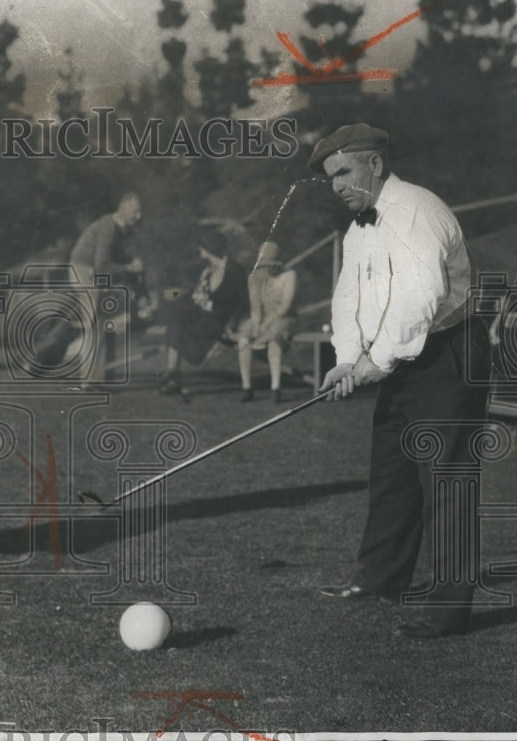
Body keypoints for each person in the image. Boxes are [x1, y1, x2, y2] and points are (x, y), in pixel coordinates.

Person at [310, 123, 491, 639]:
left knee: (447, 480)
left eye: (344, 171)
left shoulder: (414, 211)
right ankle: (381, 579)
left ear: (375, 163)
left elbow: (419, 298)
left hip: (451, 352)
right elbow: (350, 298)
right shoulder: (358, 228)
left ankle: (449, 611)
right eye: (330, 178)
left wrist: (377, 361)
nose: (337, 184)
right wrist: (347, 359)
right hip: (406, 356)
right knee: (392, 469)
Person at [36, 192, 145, 380]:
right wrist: (130, 266)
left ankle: (100, 372)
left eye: (140, 211)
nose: (139, 216)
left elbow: (111, 259)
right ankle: (90, 379)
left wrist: (130, 262)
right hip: (85, 271)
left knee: (96, 321)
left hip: (91, 272)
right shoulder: (109, 227)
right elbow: (102, 264)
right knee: (95, 324)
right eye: (136, 211)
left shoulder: (119, 229)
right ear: (123, 209)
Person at [159, 228, 248, 395]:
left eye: (202, 247)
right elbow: (194, 293)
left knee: (180, 324)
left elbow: (242, 300)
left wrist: (234, 324)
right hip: (201, 315)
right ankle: (172, 373)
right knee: (177, 319)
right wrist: (174, 293)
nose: (199, 251)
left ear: (210, 249)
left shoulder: (234, 270)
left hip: (218, 319)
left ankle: (173, 376)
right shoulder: (208, 270)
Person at [236, 241, 297, 403]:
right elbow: (255, 308)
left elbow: (285, 306)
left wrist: (267, 323)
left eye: (270, 265)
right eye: (263, 265)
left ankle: (276, 387)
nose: (267, 269)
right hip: (263, 316)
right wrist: (256, 325)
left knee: (274, 338)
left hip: (284, 317)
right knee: (244, 336)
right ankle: (246, 387)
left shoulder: (289, 275)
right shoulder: (254, 277)